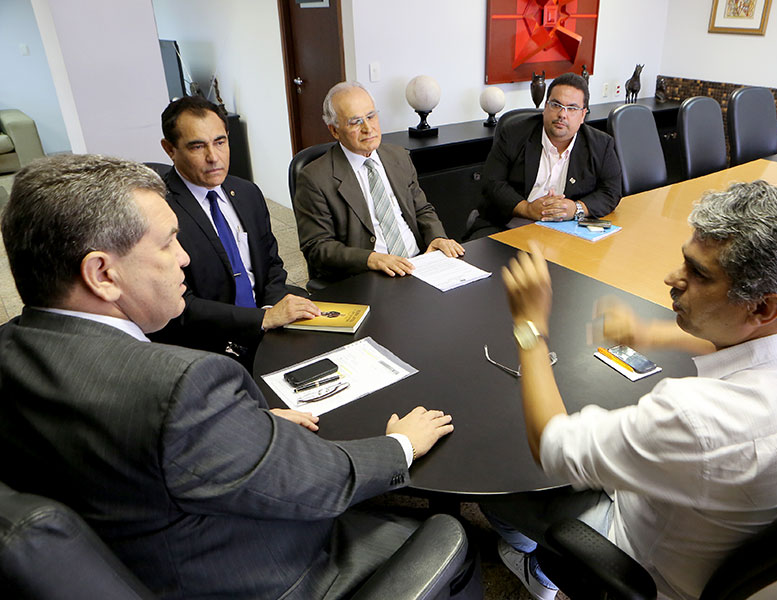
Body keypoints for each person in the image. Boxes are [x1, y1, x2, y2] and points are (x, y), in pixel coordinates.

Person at [0, 154, 461, 599]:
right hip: (267, 575)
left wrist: (235, 433)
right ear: (102, 273)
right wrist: (401, 444)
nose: (184, 259)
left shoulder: (10, 348)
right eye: (167, 244)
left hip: (138, 554)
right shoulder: (181, 386)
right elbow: (319, 481)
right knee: (448, 537)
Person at [487, 181, 777, 600]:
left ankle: (538, 567)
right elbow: (749, 342)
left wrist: (530, 327)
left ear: (763, 306)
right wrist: (648, 333)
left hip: (654, 568)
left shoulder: (697, 419)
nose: (671, 278)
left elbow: (550, 445)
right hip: (750, 540)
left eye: (698, 273)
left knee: (501, 483)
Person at [151, 96, 318, 364]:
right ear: (169, 149)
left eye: (220, 142)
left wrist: (270, 310)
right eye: (197, 146)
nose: (213, 157)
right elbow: (178, 304)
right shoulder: (159, 211)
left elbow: (272, 266)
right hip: (207, 345)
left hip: (264, 324)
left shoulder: (247, 192)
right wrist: (261, 319)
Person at [293, 81, 464, 281]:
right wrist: (371, 259)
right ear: (334, 131)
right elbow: (318, 247)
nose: (368, 128)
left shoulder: (398, 156)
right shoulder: (314, 178)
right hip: (368, 275)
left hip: (419, 264)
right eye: (355, 121)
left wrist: (437, 237)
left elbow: (421, 209)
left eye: (371, 116)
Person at [476, 72, 622, 235]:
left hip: (565, 233)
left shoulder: (600, 145)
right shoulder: (514, 134)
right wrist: (527, 209)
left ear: (583, 115)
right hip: (508, 228)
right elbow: (492, 183)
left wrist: (576, 208)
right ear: (545, 107)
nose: (562, 114)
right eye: (556, 105)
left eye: (572, 108)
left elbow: (611, 191)